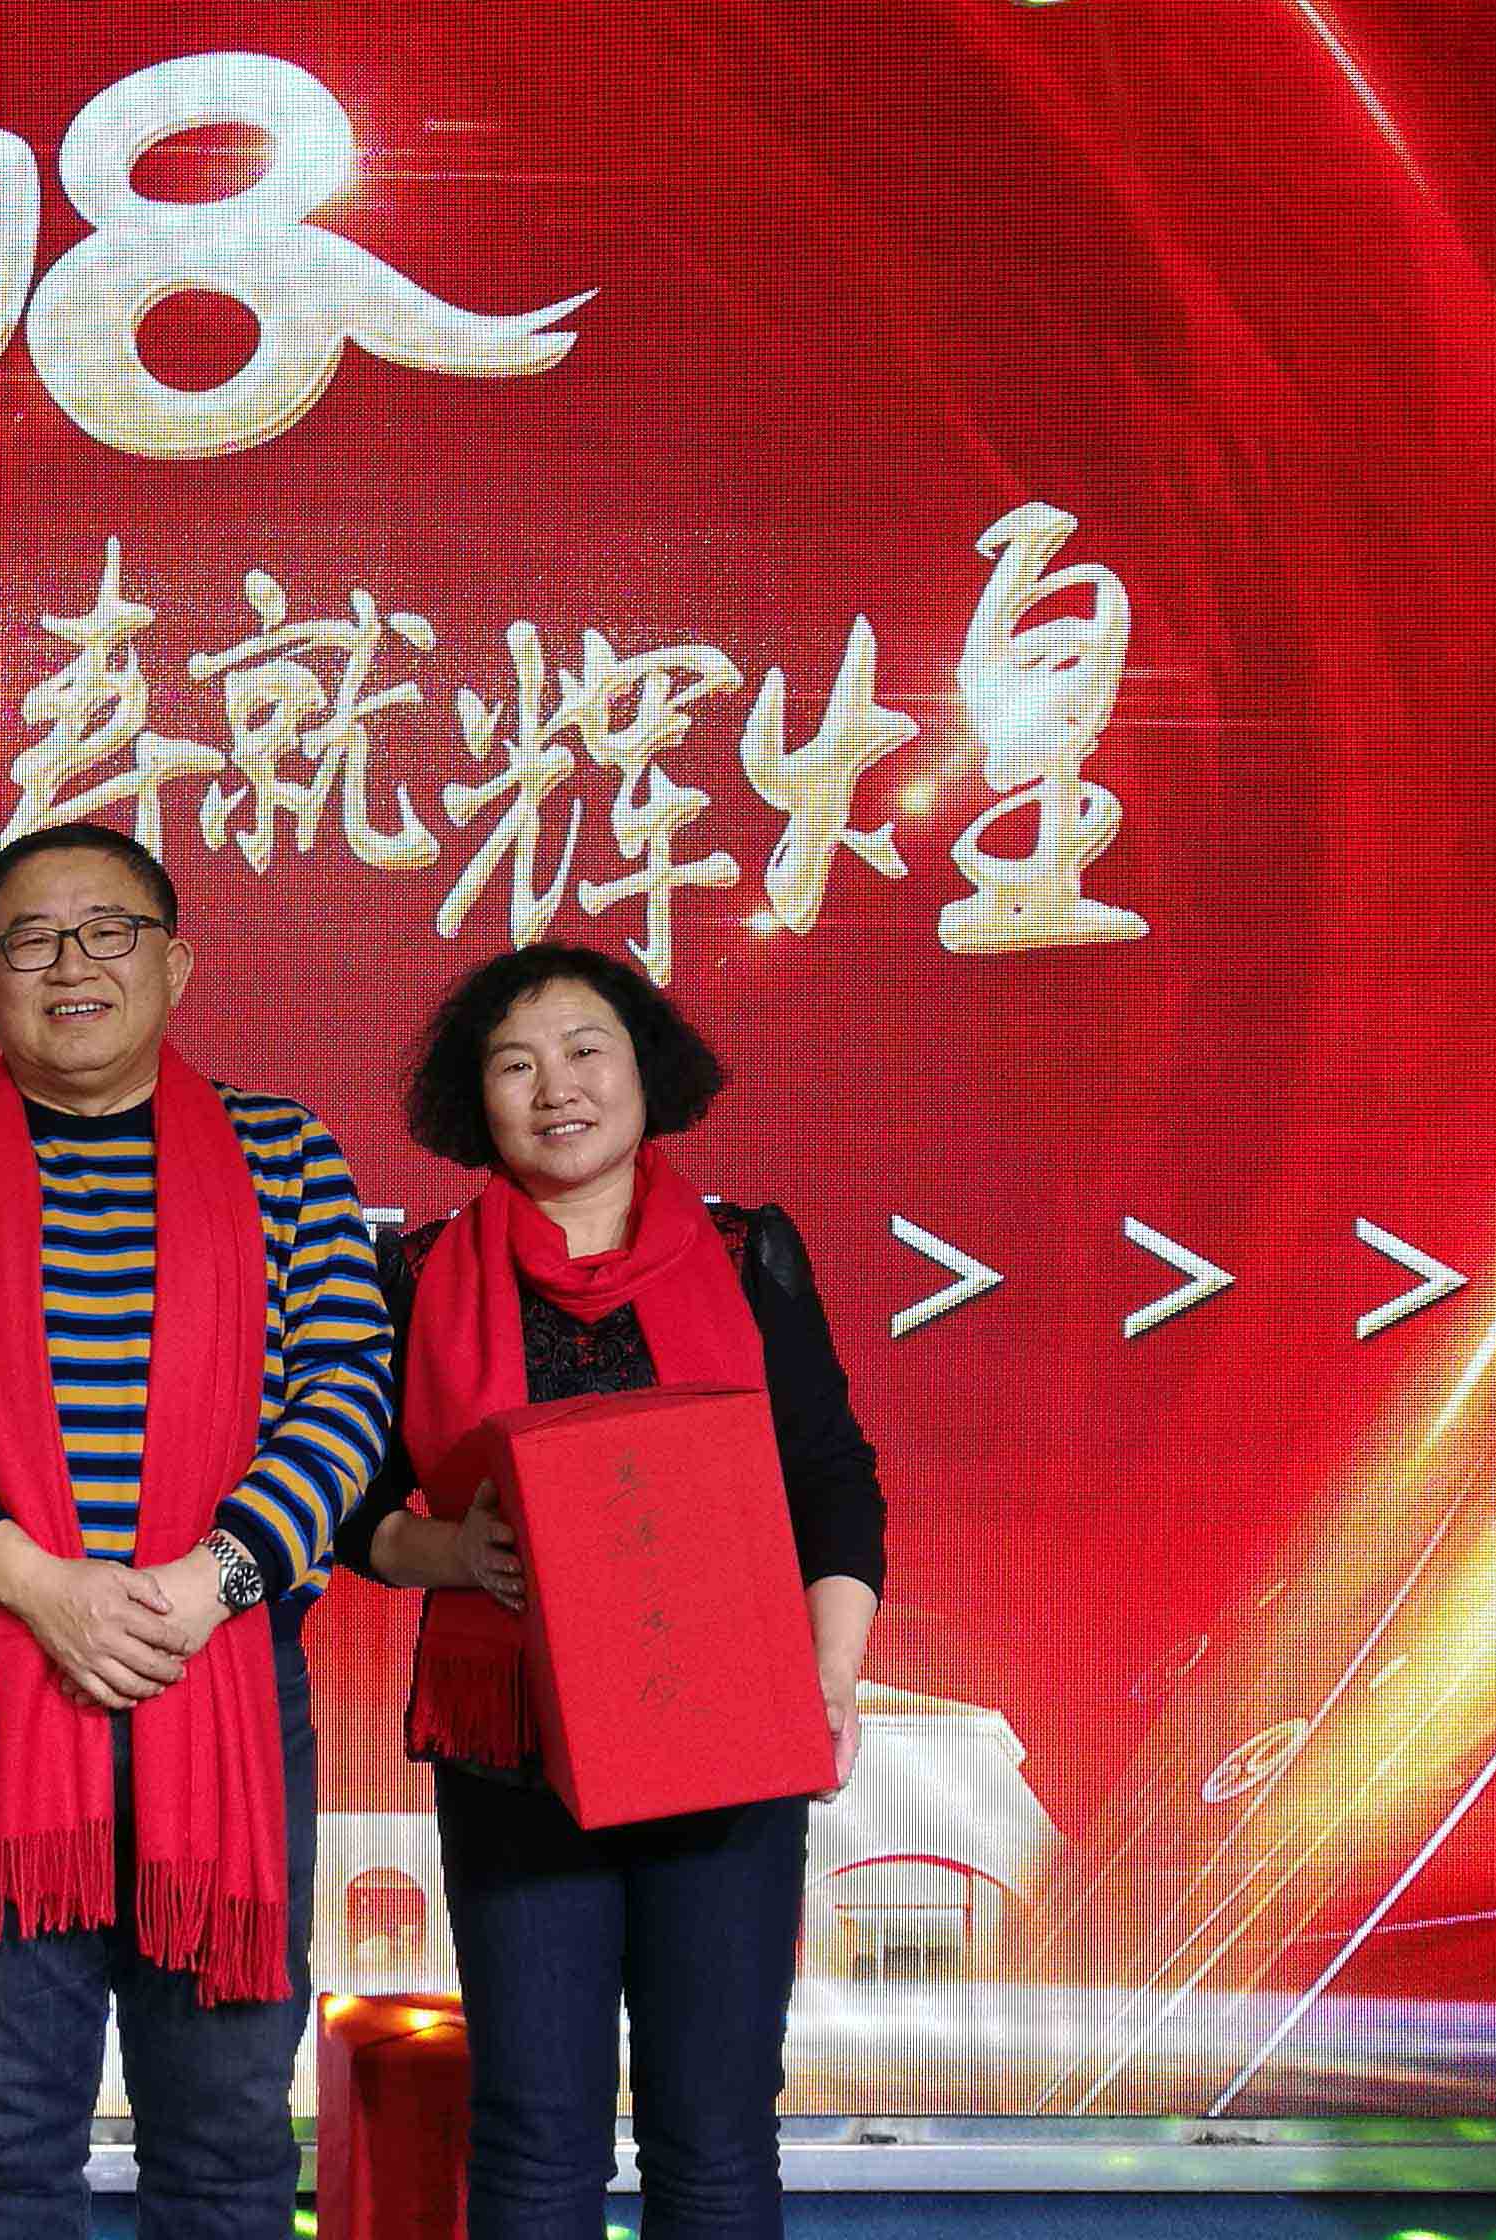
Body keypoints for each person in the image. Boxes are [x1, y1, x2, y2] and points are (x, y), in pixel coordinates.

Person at [0, 824, 394, 2238]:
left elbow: (345, 1389)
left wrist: (210, 1582)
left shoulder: (285, 1153)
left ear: (175, 962)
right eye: (31, 938)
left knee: (230, 2135)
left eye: (108, 930)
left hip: (226, 1676)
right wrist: (38, 1587)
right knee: (6, 2135)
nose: (70, 963)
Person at [334, 940, 886, 2240]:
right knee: (534, 2141)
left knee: (717, 2141)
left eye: (586, 1050)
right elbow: (353, 1513)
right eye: (515, 1064)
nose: (557, 1087)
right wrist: (455, 1554)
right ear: (476, 1098)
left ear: (646, 1068)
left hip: (730, 1738)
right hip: (515, 1751)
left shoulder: (748, 1256)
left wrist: (826, 1679)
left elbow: (830, 1481)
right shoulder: (414, 1277)